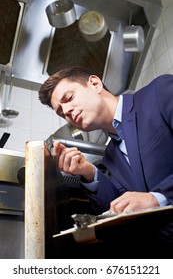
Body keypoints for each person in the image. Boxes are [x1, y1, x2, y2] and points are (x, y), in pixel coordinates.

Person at [39, 66, 173, 257]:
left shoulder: (160, 92)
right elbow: (120, 205)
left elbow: (150, 199)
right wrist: (88, 173)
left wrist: (158, 197)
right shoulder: (110, 155)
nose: (66, 112)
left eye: (68, 98)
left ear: (95, 83)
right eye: (61, 113)